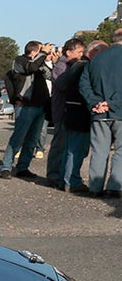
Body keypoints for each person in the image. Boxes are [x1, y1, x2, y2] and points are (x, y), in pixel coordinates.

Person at [55, 40, 108, 192]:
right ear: (95, 52)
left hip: (71, 111)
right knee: (77, 149)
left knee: (70, 148)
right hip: (81, 113)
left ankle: (64, 179)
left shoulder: (76, 66)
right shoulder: (86, 66)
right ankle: (72, 181)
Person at [0, 40, 55, 179]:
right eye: (41, 50)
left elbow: (51, 75)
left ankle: (23, 167)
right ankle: (6, 166)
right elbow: (31, 68)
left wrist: (48, 60)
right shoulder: (20, 61)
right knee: (18, 138)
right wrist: (43, 54)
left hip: (40, 105)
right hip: (25, 106)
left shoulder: (39, 62)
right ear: (34, 51)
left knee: (32, 139)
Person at [80, 28, 122, 197]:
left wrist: (96, 103)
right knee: (120, 150)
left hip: (98, 113)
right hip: (119, 111)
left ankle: (95, 186)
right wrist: (111, 103)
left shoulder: (96, 60)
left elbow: (84, 84)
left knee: (99, 150)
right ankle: (114, 186)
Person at [46, 39, 87, 186]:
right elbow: (63, 85)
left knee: (66, 145)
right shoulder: (61, 67)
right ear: (69, 52)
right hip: (62, 110)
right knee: (59, 145)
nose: (81, 55)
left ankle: (61, 174)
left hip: (69, 111)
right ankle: (53, 175)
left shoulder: (69, 65)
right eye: (79, 52)